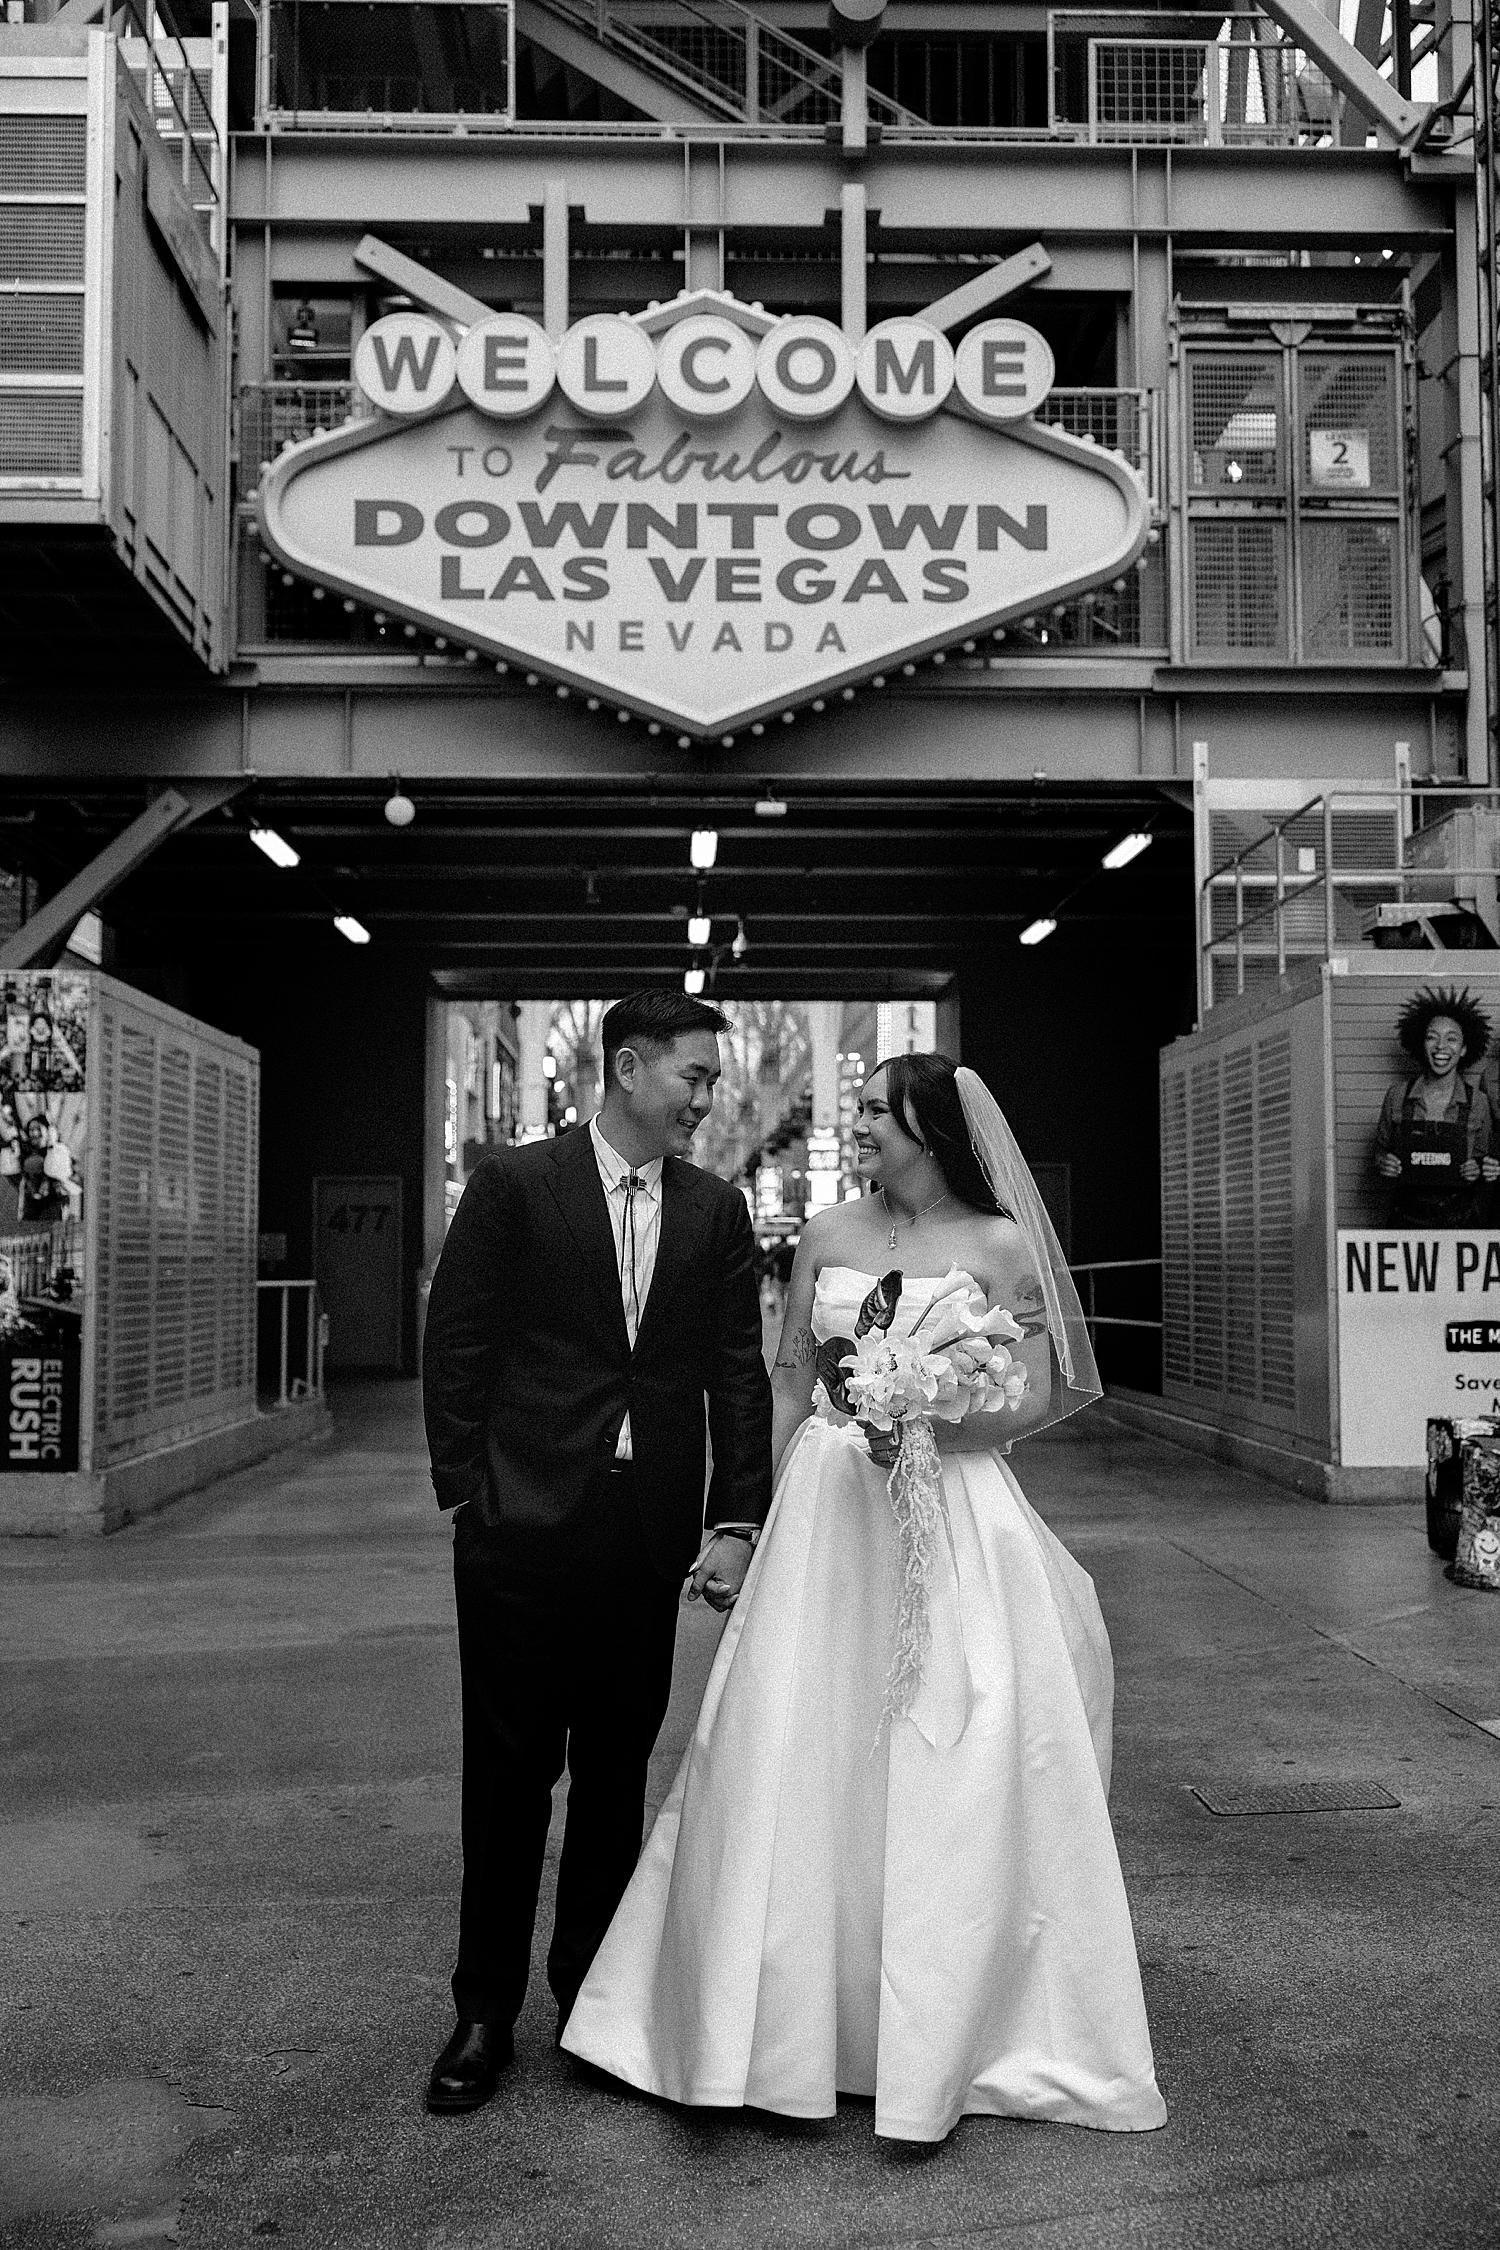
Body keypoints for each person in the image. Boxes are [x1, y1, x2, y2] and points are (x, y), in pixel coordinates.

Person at [563, 1051, 1166, 2143]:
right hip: (831, 1511)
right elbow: (791, 1380)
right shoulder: (831, 1237)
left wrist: (933, 1418)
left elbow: (1033, 1393)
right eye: (863, 1113)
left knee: (959, 1754)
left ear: (931, 1128)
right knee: (797, 1748)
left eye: (880, 1114)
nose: (864, 1128)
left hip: (953, 1509)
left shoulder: (1000, 1246)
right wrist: (743, 1520)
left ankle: (951, 2025)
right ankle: (785, 2024)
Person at [420, 990, 772, 2115]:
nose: (707, 1102)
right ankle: (483, 2012)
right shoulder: (519, 1187)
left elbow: (735, 1373)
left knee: (616, 1781)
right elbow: (458, 1347)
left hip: (643, 1533)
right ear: (628, 1068)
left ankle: (589, 2002)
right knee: (510, 1778)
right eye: (695, 1079)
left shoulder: (716, 1211)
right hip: (521, 1528)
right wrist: (470, 1500)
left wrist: (733, 1516)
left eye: (711, 1084)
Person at [1373, 986, 1498, 1226]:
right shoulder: (1397, 1096)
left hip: (1461, 1222)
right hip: (1404, 1220)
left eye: (1451, 1038)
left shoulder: (1479, 1103)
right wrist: (1384, 1163)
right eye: (1432, 1037)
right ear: (1422, 1044)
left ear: (1463, 1049)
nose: (1441, 1046)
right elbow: (1380, 1152)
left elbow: (1486, 1162)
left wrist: (1479, 1170)